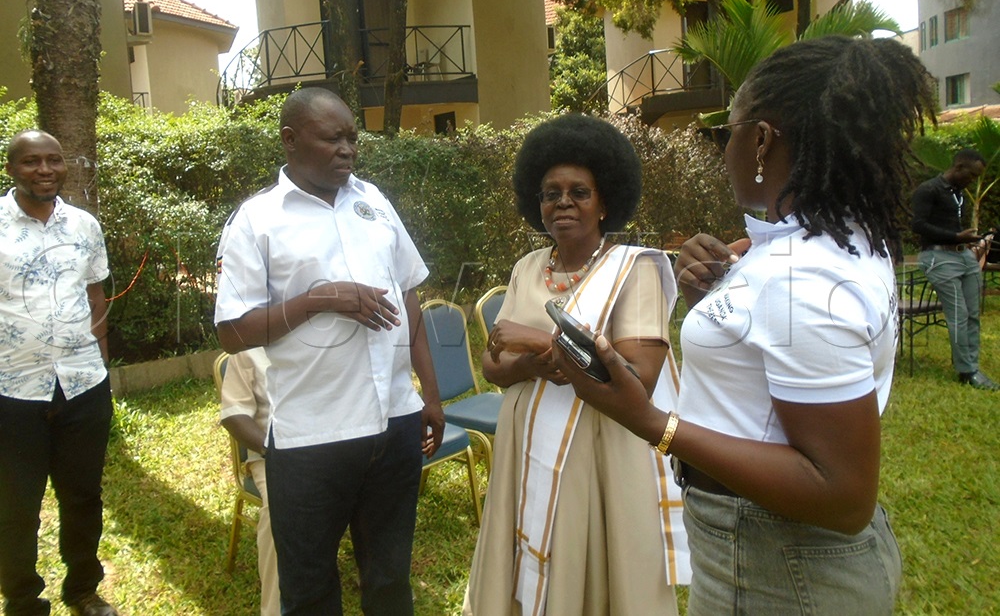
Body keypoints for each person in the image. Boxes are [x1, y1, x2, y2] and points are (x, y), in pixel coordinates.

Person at [552, 36, 933, 614]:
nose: (720, 146)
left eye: (724, 130)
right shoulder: (838, 240)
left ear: (759, 139)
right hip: (774, 552)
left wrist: (651, 421)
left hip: (776, 565)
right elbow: (773, 334)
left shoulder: (799, 280)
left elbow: (842, 494)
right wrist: (721, 284)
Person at [214, 87, 444, 616]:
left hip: (394, 424)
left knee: (389, 581)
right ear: (290, 141)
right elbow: (232, 332)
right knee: (311, 591)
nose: (348, 149)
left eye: (352, 138)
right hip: (312, 438)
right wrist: (318, 300)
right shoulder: (256, 221)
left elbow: (409, 297)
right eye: (332, 138)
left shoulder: (373, 201)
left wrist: (427, 393)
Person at [465, 114, 690, 616]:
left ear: (605, 200)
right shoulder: (527, 267)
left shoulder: (638, 270)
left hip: (598, 448)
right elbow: (492, 364)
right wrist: (533, 363)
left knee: (594, 571)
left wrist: (535, 342)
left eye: (578, 191)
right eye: (550, 192)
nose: (562, 201)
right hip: (524, 439)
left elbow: (638, 378)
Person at [0, 130, 118, 616]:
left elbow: (96, 295)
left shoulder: (84, 225)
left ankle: (83, 589)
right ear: (11, 169)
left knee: (83, 493)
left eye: (54, 160)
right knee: (15, 504)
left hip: (82, 384)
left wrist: (101, 360)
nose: (44, 170)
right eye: (31, 162)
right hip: (12, 390)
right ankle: (23, 599)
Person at [910, 149, 998, 389]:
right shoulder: (928, 189)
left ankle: (971, 364)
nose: (973, 181)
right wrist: (955, 236)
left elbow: (954, 228)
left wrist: (969, 239)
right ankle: (968, 372)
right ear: (958, 167)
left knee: (972, 314)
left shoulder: (958, 193)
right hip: (938, 257)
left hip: (964, 257)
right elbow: (917, 225)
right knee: (958, 315)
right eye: (971, 175)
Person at [219, 348, 280, 616]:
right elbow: (234, 413)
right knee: (283, 508)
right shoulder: (249, 340)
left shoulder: (329, 329)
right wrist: (275, 451)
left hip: (332, 443)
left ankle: (375, 575)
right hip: (272, 454)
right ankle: (275, 610)